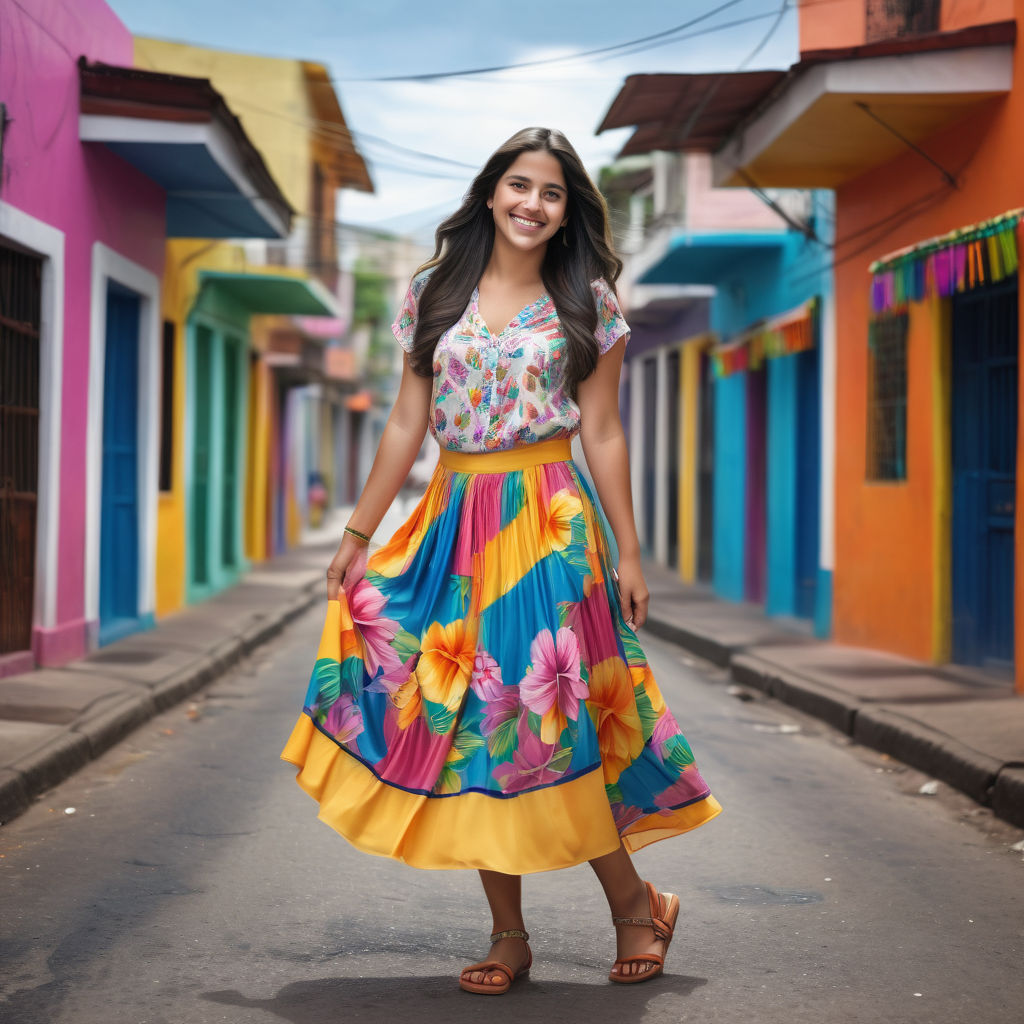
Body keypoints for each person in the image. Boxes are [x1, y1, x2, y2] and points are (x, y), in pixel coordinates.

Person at [280, 126, 722, 994]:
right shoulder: (432, 291)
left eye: (552, 193)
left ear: (567, 213)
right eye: (519, 185)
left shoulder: (586, 299)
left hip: (551, 524)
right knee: (475, 718)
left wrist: (631, 551)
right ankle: (510, 934)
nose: (533, 203)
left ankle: (635, 905)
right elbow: (407, 423)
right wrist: (358, 535)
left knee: (544, 715)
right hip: (453, 519)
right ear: (491, 192)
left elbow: (601, 429)